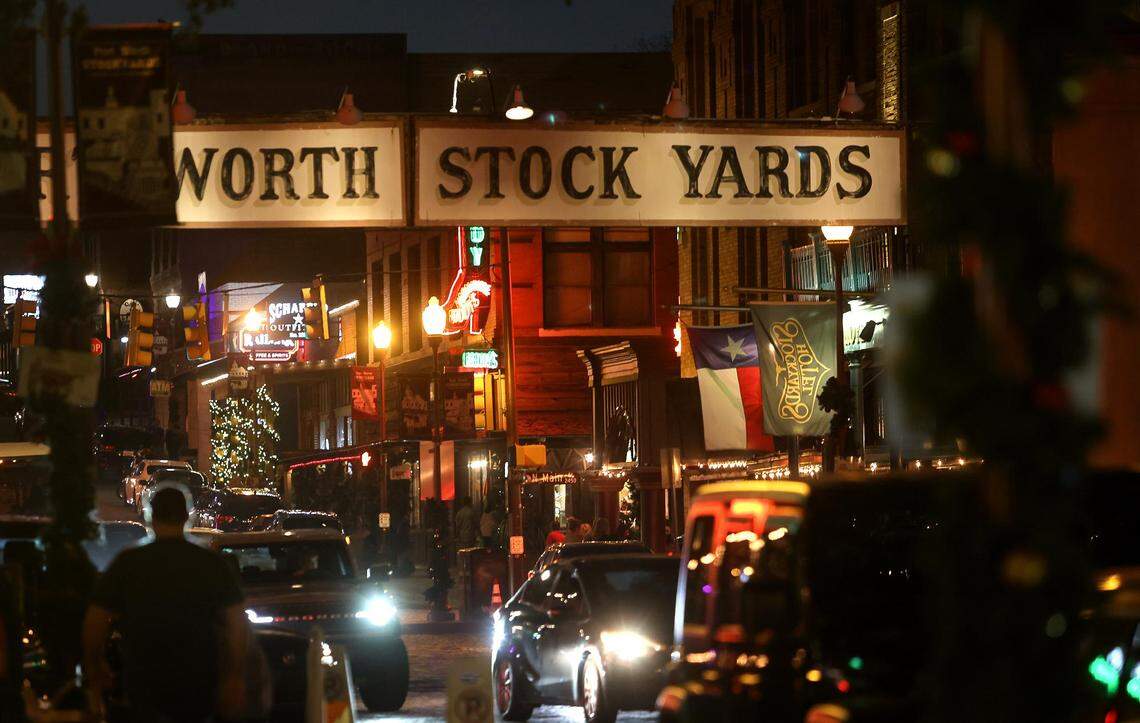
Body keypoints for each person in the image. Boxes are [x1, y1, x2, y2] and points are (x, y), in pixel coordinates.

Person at [83, 485, 248, 723]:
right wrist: (234, 676)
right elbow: (237, 623)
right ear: (186, 516)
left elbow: (95, 619)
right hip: (198, 682)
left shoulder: (129, 562)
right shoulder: (210, 563)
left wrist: (94, 664)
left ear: (151, 515)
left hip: (144, 681)